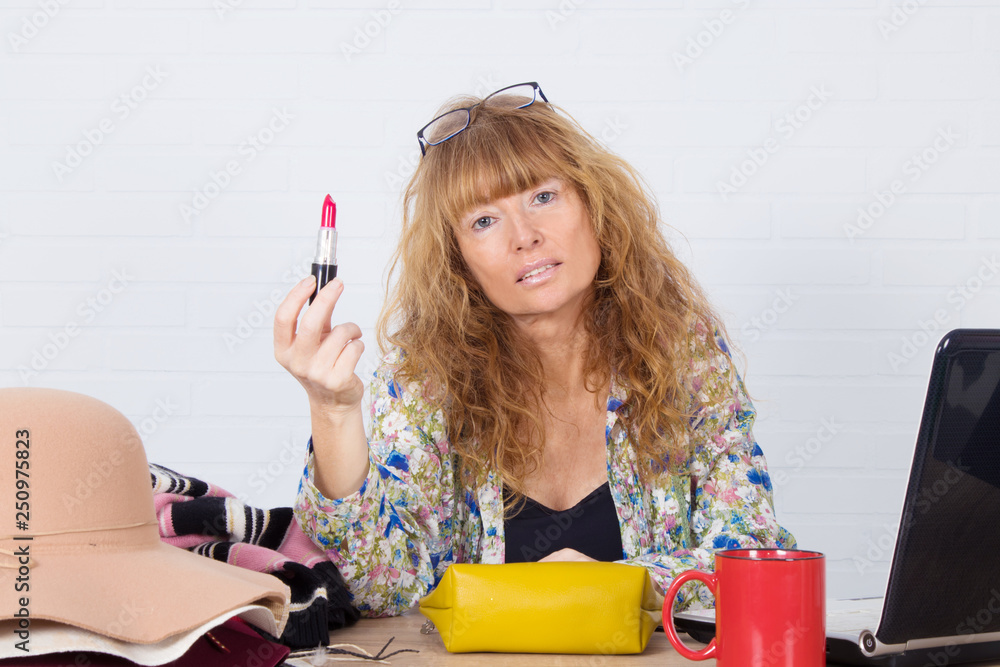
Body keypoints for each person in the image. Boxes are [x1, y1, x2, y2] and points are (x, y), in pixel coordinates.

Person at [275, 82, 796, 618]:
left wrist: (625, 583)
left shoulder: (681, 349)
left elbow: (753, 554)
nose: (524, 236)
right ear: (458, 260)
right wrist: (332, 411)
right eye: (484, 221)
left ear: (593, 204)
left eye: (543, 197)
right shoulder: (425, 382)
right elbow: (382, 588)